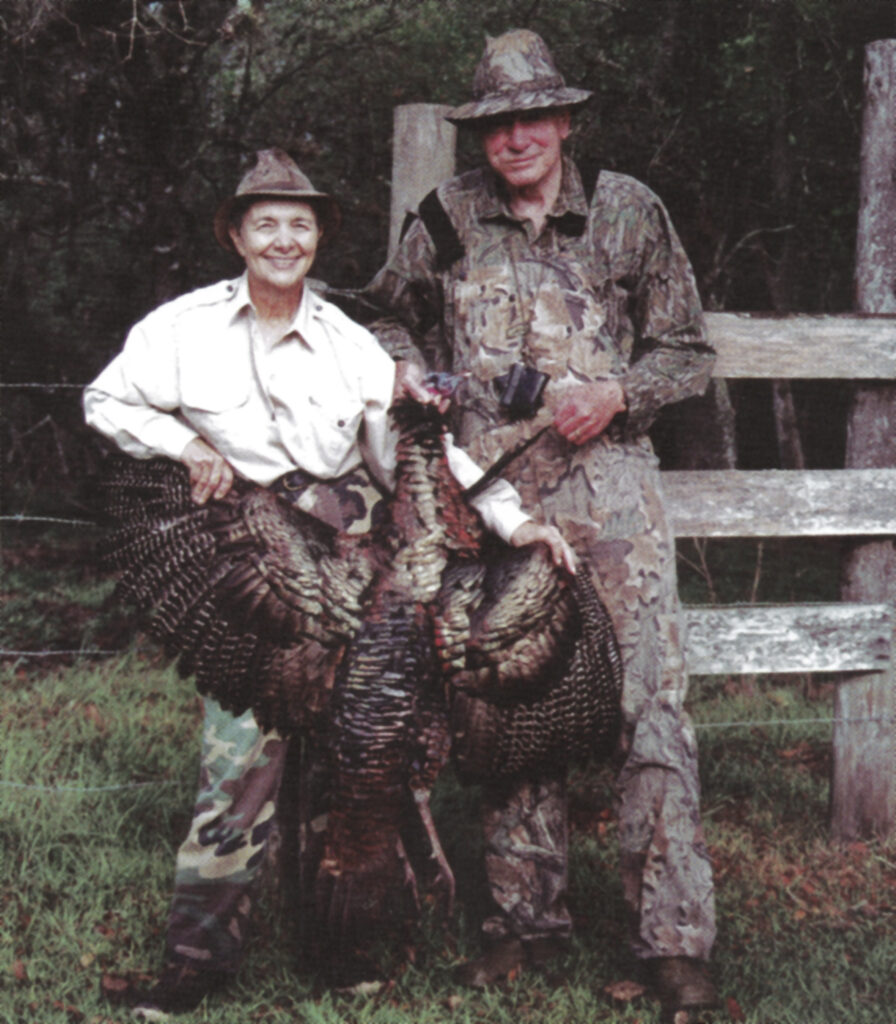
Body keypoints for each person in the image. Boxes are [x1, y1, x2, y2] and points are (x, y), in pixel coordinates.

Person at [83, 147, 574, 1021]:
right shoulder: (181, 328)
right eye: (265, 223)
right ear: (237, 234)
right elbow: (107, 403)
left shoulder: (351, 342)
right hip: (245, 565)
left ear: (317, 240)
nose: (283, 240)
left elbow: (418, 454)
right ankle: (197, 963)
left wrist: (515, 522)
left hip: (348, 561)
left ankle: (342, 951)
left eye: (299, 225)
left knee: (358, 762)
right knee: (238, 763)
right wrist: (189, 447)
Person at [360, 29, 719, 1019]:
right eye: (495, 123)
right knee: (507, 704)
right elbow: (385, 318)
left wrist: (614, 391)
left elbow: (687, 351)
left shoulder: (625, 212)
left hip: (610, 492)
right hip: (496, 504)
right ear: (479, 133)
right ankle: (523, 921)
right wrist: (400, 363)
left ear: (562, 120)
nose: (515, 137)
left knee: (649, 702)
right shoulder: (441, 219)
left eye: (532, 118)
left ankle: (673, 941)